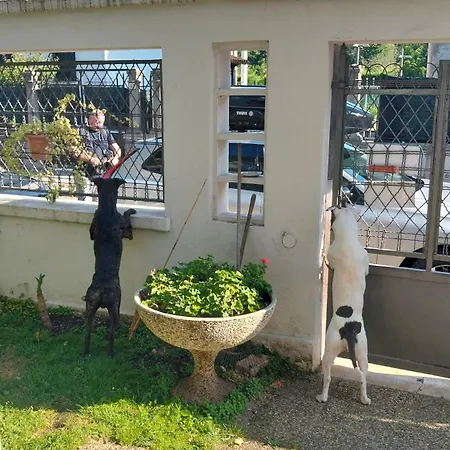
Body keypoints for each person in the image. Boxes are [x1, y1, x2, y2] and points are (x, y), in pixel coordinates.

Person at [74, 109, 122, 179]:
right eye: (95, 121)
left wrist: (115, 158)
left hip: (104, 171)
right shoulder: (81, 131)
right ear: (89, 120)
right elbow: (74, 151)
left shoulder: (105, 131)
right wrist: (90, 159)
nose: (97, 124)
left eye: (100, 122)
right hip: (85, 172)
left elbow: (116, 148)